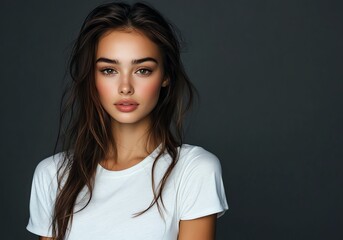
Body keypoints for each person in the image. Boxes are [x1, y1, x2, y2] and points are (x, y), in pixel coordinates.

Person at [26, 2, 228, 240]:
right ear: (92, 77)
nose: (125, 88)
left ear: (165, 76)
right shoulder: (53, 175)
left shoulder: (194, 171)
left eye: (142, 70)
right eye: (109, 70)